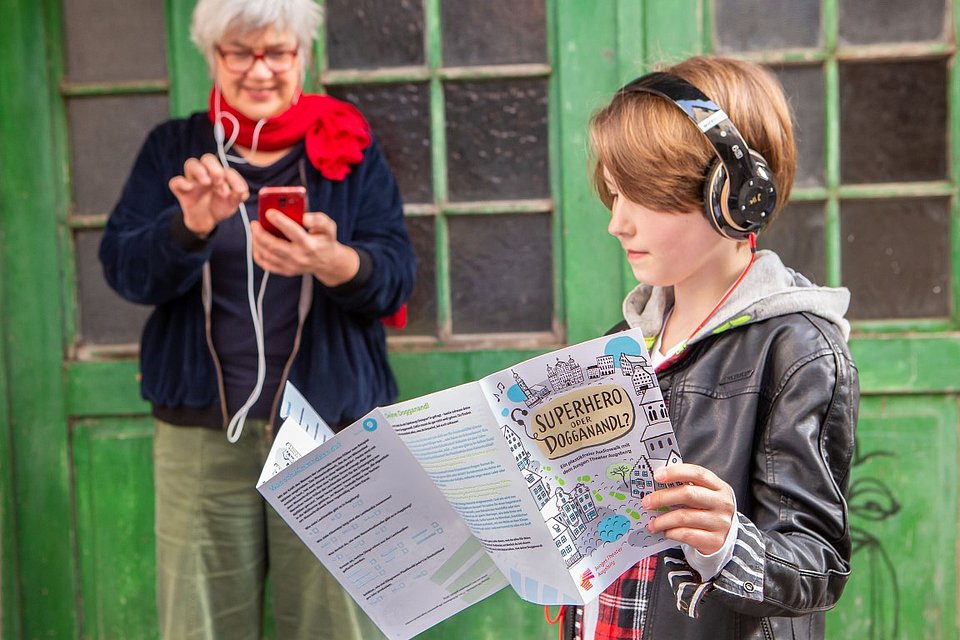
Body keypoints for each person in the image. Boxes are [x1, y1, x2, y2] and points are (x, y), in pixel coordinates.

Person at [99, 0, 414, 638]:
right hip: (201, 436)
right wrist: (187, 227)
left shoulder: (348, 149)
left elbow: (397, 275)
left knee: (333, 625)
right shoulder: (174, 149)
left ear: (303, 55)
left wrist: (335, 262)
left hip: (329, 432)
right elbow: (124, 270)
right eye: (238, 53)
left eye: (277, 51)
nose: (259, 70)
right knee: (201, 624)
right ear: (212, 57)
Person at [559, 56, 859, 640]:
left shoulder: (797, 350)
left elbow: (819, 566)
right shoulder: (617, 345)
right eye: (614, 195)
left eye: (640, 197)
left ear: (735, 194)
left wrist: (728, 541)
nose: (616, 224)